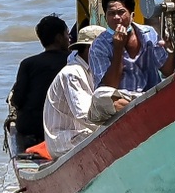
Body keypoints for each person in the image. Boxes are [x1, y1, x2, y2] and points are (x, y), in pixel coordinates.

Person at [45, 25, 131, 156]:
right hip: (65, 140)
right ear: (89, 49)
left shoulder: (92, 71)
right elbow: (84, 115)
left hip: (81, 134)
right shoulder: (72, 73)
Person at [9, 15, 72, 154]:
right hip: (61, 127)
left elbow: (18, 100)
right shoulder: (72, 61)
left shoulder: (28, 63)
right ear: (59, 38)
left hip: (32, 128)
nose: (69, 38)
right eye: (67, 34)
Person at [90, 0, 169, 94]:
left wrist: (171, 48)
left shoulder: (149, 33)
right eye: (111, 13)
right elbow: (110, 86)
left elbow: (167, 70)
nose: (116, 17)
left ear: (132, 16)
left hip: (151, 97)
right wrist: (118, 48)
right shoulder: (98, 46)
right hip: (122, 101)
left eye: (121, 12)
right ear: (105, 18)